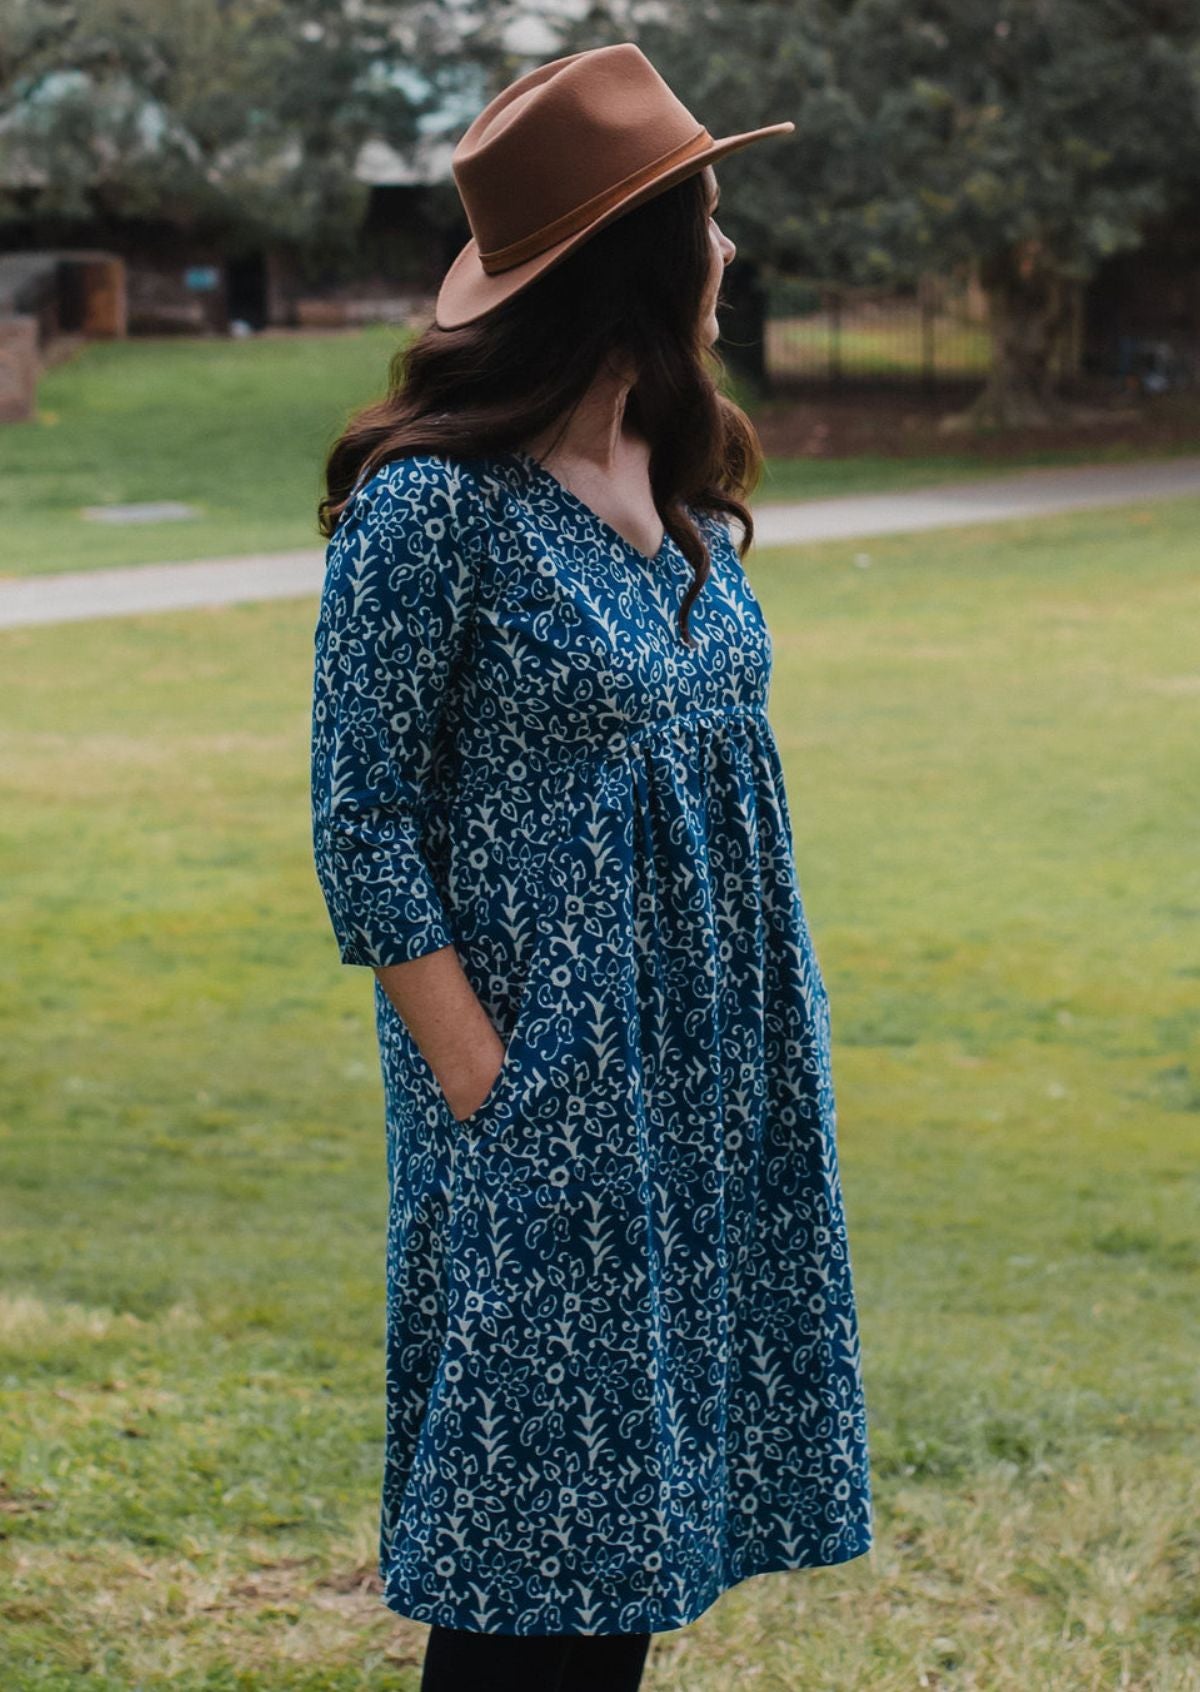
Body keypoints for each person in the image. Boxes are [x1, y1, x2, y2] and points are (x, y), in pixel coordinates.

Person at [310, 40, 873, 1691]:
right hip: (550, 1104)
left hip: (712, 1095)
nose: (727, 255)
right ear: (637, 256)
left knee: (625, 1555)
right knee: (522, 1580)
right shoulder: (435, 515)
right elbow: (363, 828)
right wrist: (497, 1088)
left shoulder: (675, 476)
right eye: (704, 221)